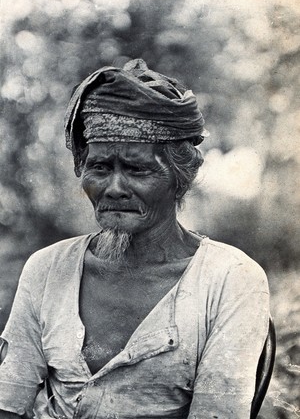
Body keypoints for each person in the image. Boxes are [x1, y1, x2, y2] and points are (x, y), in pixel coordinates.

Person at [0, 59, 269, 419]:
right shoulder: (48, 269)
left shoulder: (230, 279)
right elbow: (7, 404)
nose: (113, 188)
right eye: (99, 167)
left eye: (137, 169)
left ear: (179, 177)